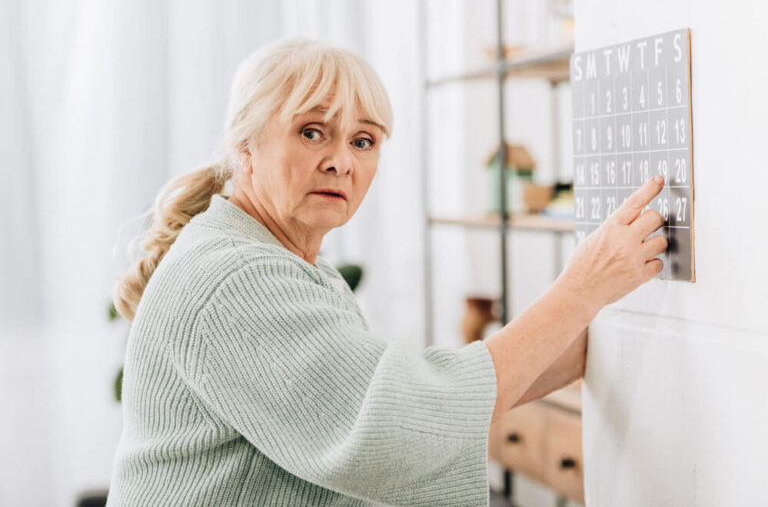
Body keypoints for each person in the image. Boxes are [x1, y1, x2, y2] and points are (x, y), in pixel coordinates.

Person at [106, 37, 667, 507]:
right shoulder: (236, 280)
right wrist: (580, 288)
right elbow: (392, 429)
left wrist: (585, 339)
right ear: (245, 146)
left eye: (364, 140)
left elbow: (389, 402)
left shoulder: (279, 262)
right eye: (311, 131)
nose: (341, 161)